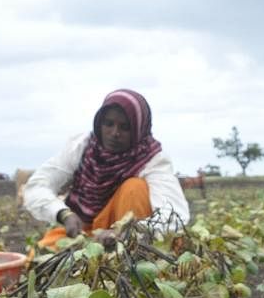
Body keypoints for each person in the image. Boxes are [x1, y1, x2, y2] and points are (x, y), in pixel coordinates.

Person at [23, 89, 189, 249]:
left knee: (134, 188)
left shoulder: (152, 159)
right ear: (99, 123)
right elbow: (37, 186)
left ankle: (132, 257)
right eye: (108, 124)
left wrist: (125, 232)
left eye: (125, 127)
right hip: (85, 233)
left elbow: (174, 214)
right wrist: (63, 214)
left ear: (139, 129)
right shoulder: (82, 147)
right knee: (38, 259)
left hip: (130, 237)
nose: (114, 133)